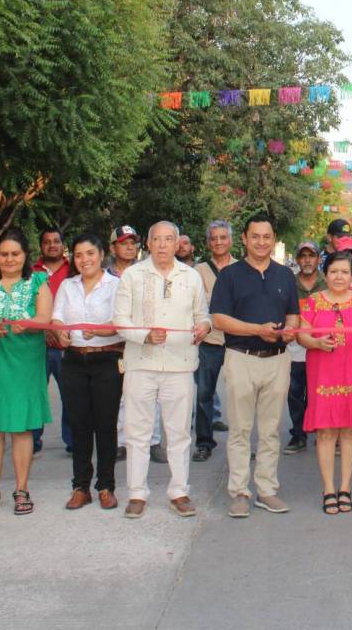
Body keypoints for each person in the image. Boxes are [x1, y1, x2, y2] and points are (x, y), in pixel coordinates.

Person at [114, 221, 210, 519]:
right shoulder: (132, 275)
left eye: (169, 239)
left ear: (177, 244)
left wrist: (204, 327)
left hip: (180, 364)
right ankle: (137, 494)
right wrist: (144, 335)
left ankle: (179, 492)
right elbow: (120, 320)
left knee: (179, 433)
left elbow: (203, 315)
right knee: (137, 433)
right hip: (141, 364)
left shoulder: (190, 276)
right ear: (149, 243)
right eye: (157, 239)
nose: (163, 245)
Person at [210, 213, 300, 518]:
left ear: (273, 240)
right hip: (241, 358)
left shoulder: (285, 275)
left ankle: (266, 489)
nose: (261, 242)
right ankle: (239, 491)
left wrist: (290, 331)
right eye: (256, 236)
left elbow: (293, 315)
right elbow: (219, 319)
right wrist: (257, 330)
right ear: (245, 239)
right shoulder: (230, 275)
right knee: (240, 429)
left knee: (271, 430)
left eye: (267, 237)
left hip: (277, 360)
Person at [0, 227, 53, 516]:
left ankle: (21, 489)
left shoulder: (38, 281)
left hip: (25, 361)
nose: (9, 259)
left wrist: (27, 324)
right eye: (4, 254)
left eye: (15, 254)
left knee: (21, 426)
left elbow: (44, 317)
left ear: (25, 255)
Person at [295, 252, 352, 514]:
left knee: (349, 430)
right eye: (333, 272)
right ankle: (328, 488)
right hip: (323, 370)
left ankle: (345, 487)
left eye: (344, 272)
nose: (339, 277)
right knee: (326, 431)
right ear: (325, 274)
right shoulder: (313, 301)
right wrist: (316, 342)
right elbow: (302, 335)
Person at [53, 233, 123, 511]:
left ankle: (106, 486)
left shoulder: (116, 285)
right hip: (73, 361)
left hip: (106, 359)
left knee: (105, 425)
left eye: (90, 253)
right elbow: (57, 317)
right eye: (79, 255)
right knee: (79, 425)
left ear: (102, 254)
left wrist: (101, 331)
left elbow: (122, 322)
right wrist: (60, 332)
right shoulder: (67, 286)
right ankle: (80, 487)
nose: (85, 260)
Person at [109, 225, 162, 463]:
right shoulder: (105, 277)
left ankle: (154, 441)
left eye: (133, 243)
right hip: (114, 344)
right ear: (113, 248)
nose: (130, 247)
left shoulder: (147, 273)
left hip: (145, 343)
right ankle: (122, 442)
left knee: (153, 395)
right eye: (124, 243)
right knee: (122, 397)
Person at [193, 219, 234, 463]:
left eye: (223, 237)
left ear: (231, 240)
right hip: (208, 341)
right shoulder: (197, 271)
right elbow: (195, 304)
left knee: (240, 396)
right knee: (204, 395)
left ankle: (240, 445)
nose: (218, 242)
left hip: (237, 341)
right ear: (208, 243)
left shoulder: (242, 268)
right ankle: (204, 442)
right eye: (214, 238)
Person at [32, 227, 72, 455]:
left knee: (70, 396)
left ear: (62, 245)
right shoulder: (31, 271)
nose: (52, 245)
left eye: (56, 241)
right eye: (47, 242)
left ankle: (73, 441)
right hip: (36, 344)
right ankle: (32, 441)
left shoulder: (73, 269)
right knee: (35, 394)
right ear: (41, 246)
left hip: (65, 344)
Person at [285, 241, 322, 455]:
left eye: (311, 255)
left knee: (321, 392)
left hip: (322, 347)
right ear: (298, 260)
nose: (307, 260)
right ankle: (298, 434)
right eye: (303, 256)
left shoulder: (328, 282)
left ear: (318, 259)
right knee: (296, 393)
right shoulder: (289, 283)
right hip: (295, 348)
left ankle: (323, 432)